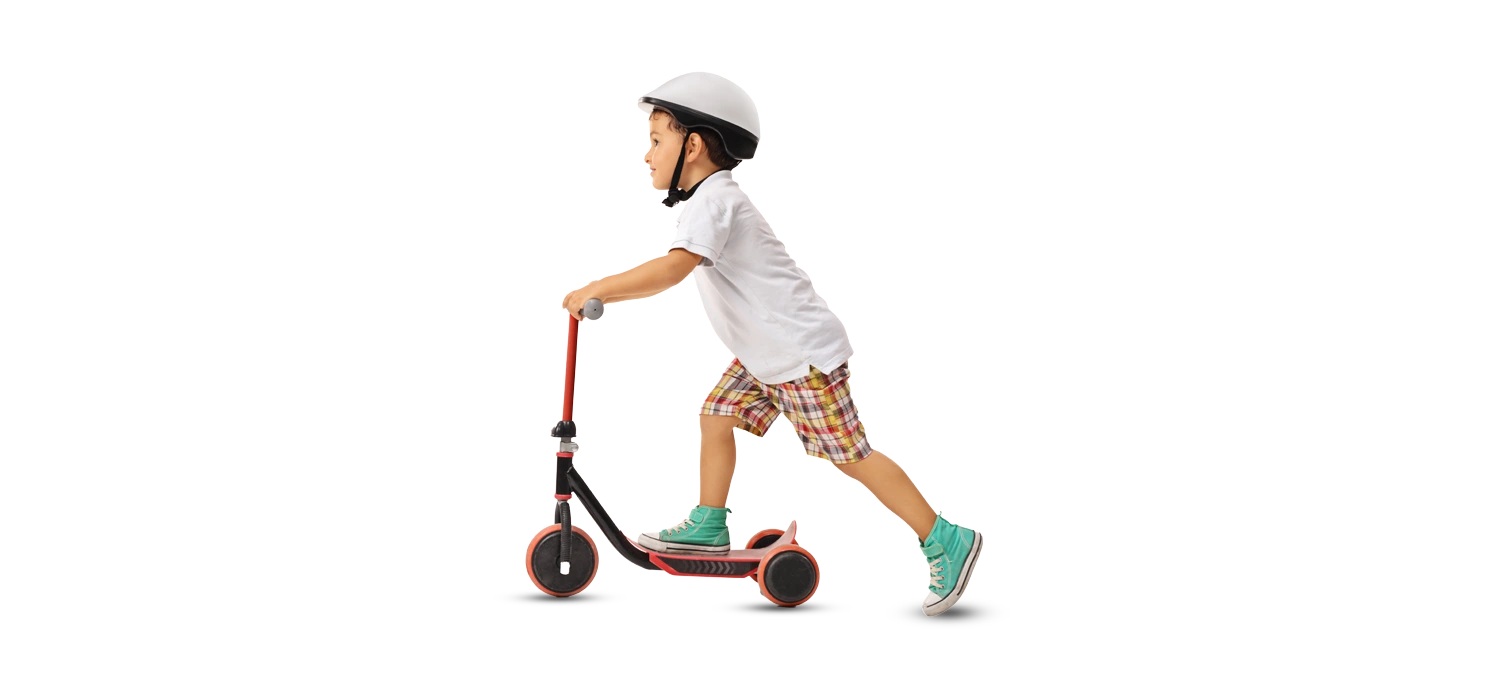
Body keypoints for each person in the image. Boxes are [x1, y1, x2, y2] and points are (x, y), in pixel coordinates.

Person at [560, 72, 983, 617]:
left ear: (692, 145)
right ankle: (710, 522)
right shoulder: (709, 201)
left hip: (798, 358)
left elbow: (674, 268)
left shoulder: (716, 199)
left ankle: (944, 537)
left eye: (656, 141)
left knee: (850, 455)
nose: (647, 156)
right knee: (718, 414)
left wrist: (598, 290)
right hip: (767, 359)